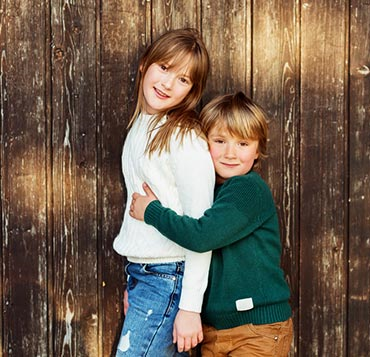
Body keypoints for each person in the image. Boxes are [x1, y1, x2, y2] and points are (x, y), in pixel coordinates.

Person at [129, 92, 294, 356]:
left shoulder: (247, 189)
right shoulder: (205, 192)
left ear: (257, 150)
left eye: (243, 143)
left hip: (256, 329)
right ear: (203, 143)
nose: (230, 153)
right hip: (214, 331)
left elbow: (202, 236)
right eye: (220, 141)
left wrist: (153, 212)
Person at [113, 28, 214, 356]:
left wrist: (189, 307)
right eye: (165, 68)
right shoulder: (141, 125)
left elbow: (203, 229)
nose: (168, 84)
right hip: (144, 276)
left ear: (191, 91)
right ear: (145, 64)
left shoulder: (183, 137)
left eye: (183, 80)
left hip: (169, 278)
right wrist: (134, 278)